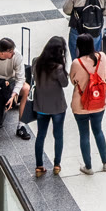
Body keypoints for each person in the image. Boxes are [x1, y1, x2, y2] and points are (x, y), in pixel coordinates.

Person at [29, 36, 70, 178]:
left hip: (41, 106)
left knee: (40, 135)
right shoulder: (58, 68)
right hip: (57, 106)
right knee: (58, 135)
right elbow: (65, 84)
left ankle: (39, 166)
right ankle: (57, 164)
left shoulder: (36, 62)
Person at [69, 33, 106, 174]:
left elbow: (72, 80)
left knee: (84, 134)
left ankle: (88, 167)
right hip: (98, 101)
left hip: (80, 104)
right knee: (98, 131)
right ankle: (105, 163)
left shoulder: (77, 63)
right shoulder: (102, 57)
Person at [0, 33, 30, 145]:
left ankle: (21, 125)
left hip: (10, 81)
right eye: (10, 51)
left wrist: (13, 94)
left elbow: (21, 78)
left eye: (13, 50)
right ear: (2, 52)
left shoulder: (17, 55)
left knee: (26, 88)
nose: (13, 52)